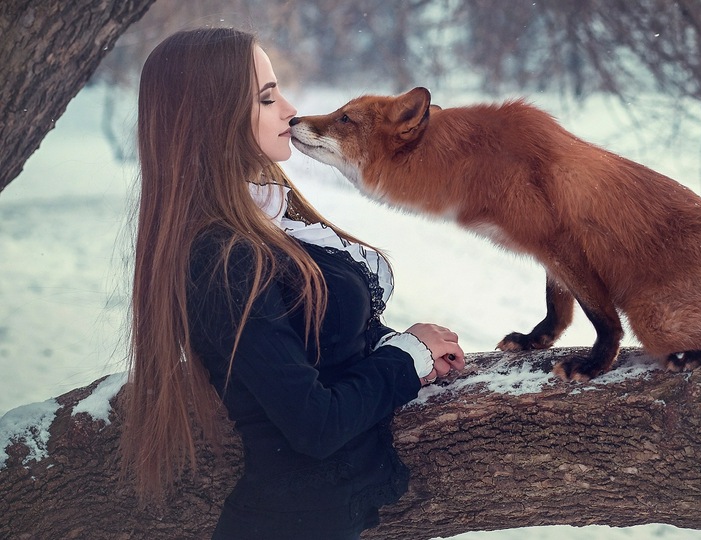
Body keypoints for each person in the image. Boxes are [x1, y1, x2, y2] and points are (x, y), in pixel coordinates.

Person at [119, 27, 465, 540]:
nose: (289, 109)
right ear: (211, 118)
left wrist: (400, 344)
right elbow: (313, 424)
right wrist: (408, 358)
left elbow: (315, 343)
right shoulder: (220, 257)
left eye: (278, 90)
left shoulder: (267, 216)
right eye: (266, 97)